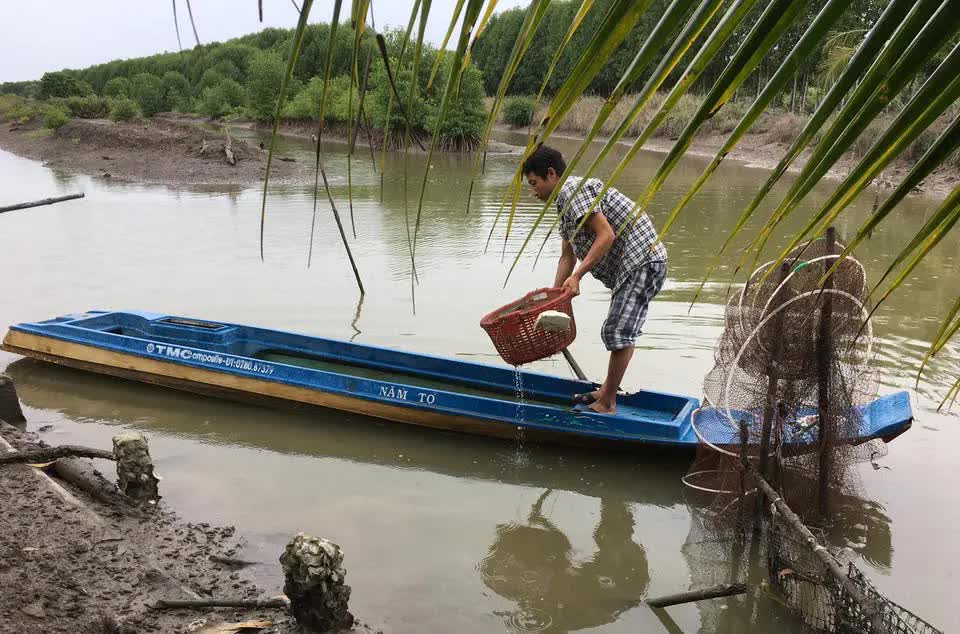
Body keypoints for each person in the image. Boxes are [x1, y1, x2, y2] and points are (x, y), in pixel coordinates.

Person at [523, 145, 667, 414]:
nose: (534, 191)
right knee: (615, 329)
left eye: (534, 183)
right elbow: (567, 257)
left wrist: (577, 277)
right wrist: (554, 297)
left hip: (643, 259)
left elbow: (606, 235)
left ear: (551, 174)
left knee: (617, 330)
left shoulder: (571, 192)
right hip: (634, 264)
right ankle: (606, 391)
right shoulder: (565, 205)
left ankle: (608, 402)